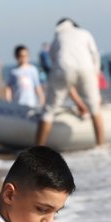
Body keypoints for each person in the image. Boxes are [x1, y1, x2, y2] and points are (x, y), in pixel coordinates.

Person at [36, 18, 105, 148]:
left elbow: (53, 57)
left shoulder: (58, 36)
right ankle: (100, 145)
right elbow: (95, 55)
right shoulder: (85, 33)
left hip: (62, 69)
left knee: (49, 111)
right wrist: (95, 75)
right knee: (95, 108)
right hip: (87, 69)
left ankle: (38, 149)